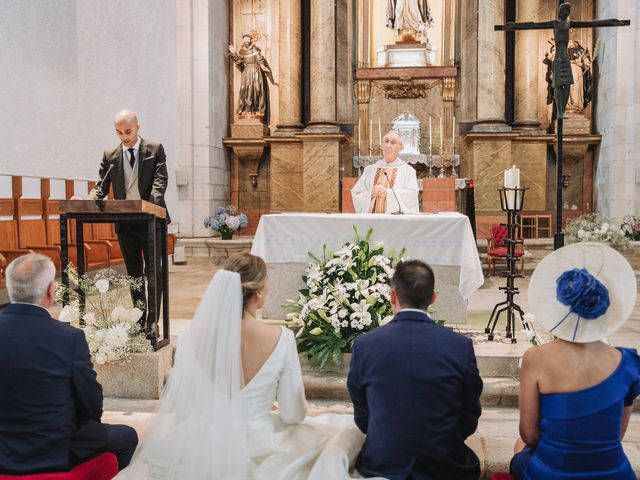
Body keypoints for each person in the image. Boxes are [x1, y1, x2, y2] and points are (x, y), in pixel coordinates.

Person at [117, 253, 375, 479]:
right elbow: (293, 414)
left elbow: (185, 405)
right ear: (259, 292)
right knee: (340, 434)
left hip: (201, 441)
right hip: (260, 440)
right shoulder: (281, 338)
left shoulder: (190, 337)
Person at [510, 242, 639, 480]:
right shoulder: (628, 361)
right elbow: (617, 435)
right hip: (614, 473)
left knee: (520, 447)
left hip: (555, 472)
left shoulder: (536, 358)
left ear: (560, 307)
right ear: (603, 310)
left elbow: (529, 434)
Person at [0, 254, 138, 474]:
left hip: (4, 450)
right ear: (50, 291)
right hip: (55, 448)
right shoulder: (68, 337)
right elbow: (92, 407)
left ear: (10, 288)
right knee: (127, 436)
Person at [348, 260, 483, 480]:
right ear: (433, 298)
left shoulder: (366, 344)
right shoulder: (459, 346)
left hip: (384, 462)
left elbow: (362, 414)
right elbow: (469, 414)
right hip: (445, 463)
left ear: (393, 296)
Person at [92, 109, 170, 333]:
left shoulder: (154, 149)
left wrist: (152, 206)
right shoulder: (110, 154)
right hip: (125, 222)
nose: (124, 137)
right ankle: (139, 318)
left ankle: (153, 321)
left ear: (138, 127)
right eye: (119, 133)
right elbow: (101, 184)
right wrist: (91, 198)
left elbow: (160, 180)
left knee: (154, 272)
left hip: (151, 220)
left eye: (128, 131)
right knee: (133, 274)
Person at [351, 130, 420, 214]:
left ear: (401, 147)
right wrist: (371, 193)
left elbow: (411, 196)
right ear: (381, 146)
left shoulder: (408, 171)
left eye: (393, 142)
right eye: (386, 141)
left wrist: (387, 192)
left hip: (395, 222)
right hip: (371, 222)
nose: (388, 145)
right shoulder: (369, 170)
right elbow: (357, 193)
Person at [228, 34, 277, 123]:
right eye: (245, 38)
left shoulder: (255, 49)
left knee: (256, 89)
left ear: (251, 40)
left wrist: (263, 66)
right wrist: (234, 53)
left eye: (248, 38)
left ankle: (256, 109)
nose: (246, 40)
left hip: (255, 71)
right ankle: (246, 110)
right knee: (245, 89)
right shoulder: (242, 51)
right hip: (247, 72)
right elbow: (239, 62)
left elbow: (260, 59)